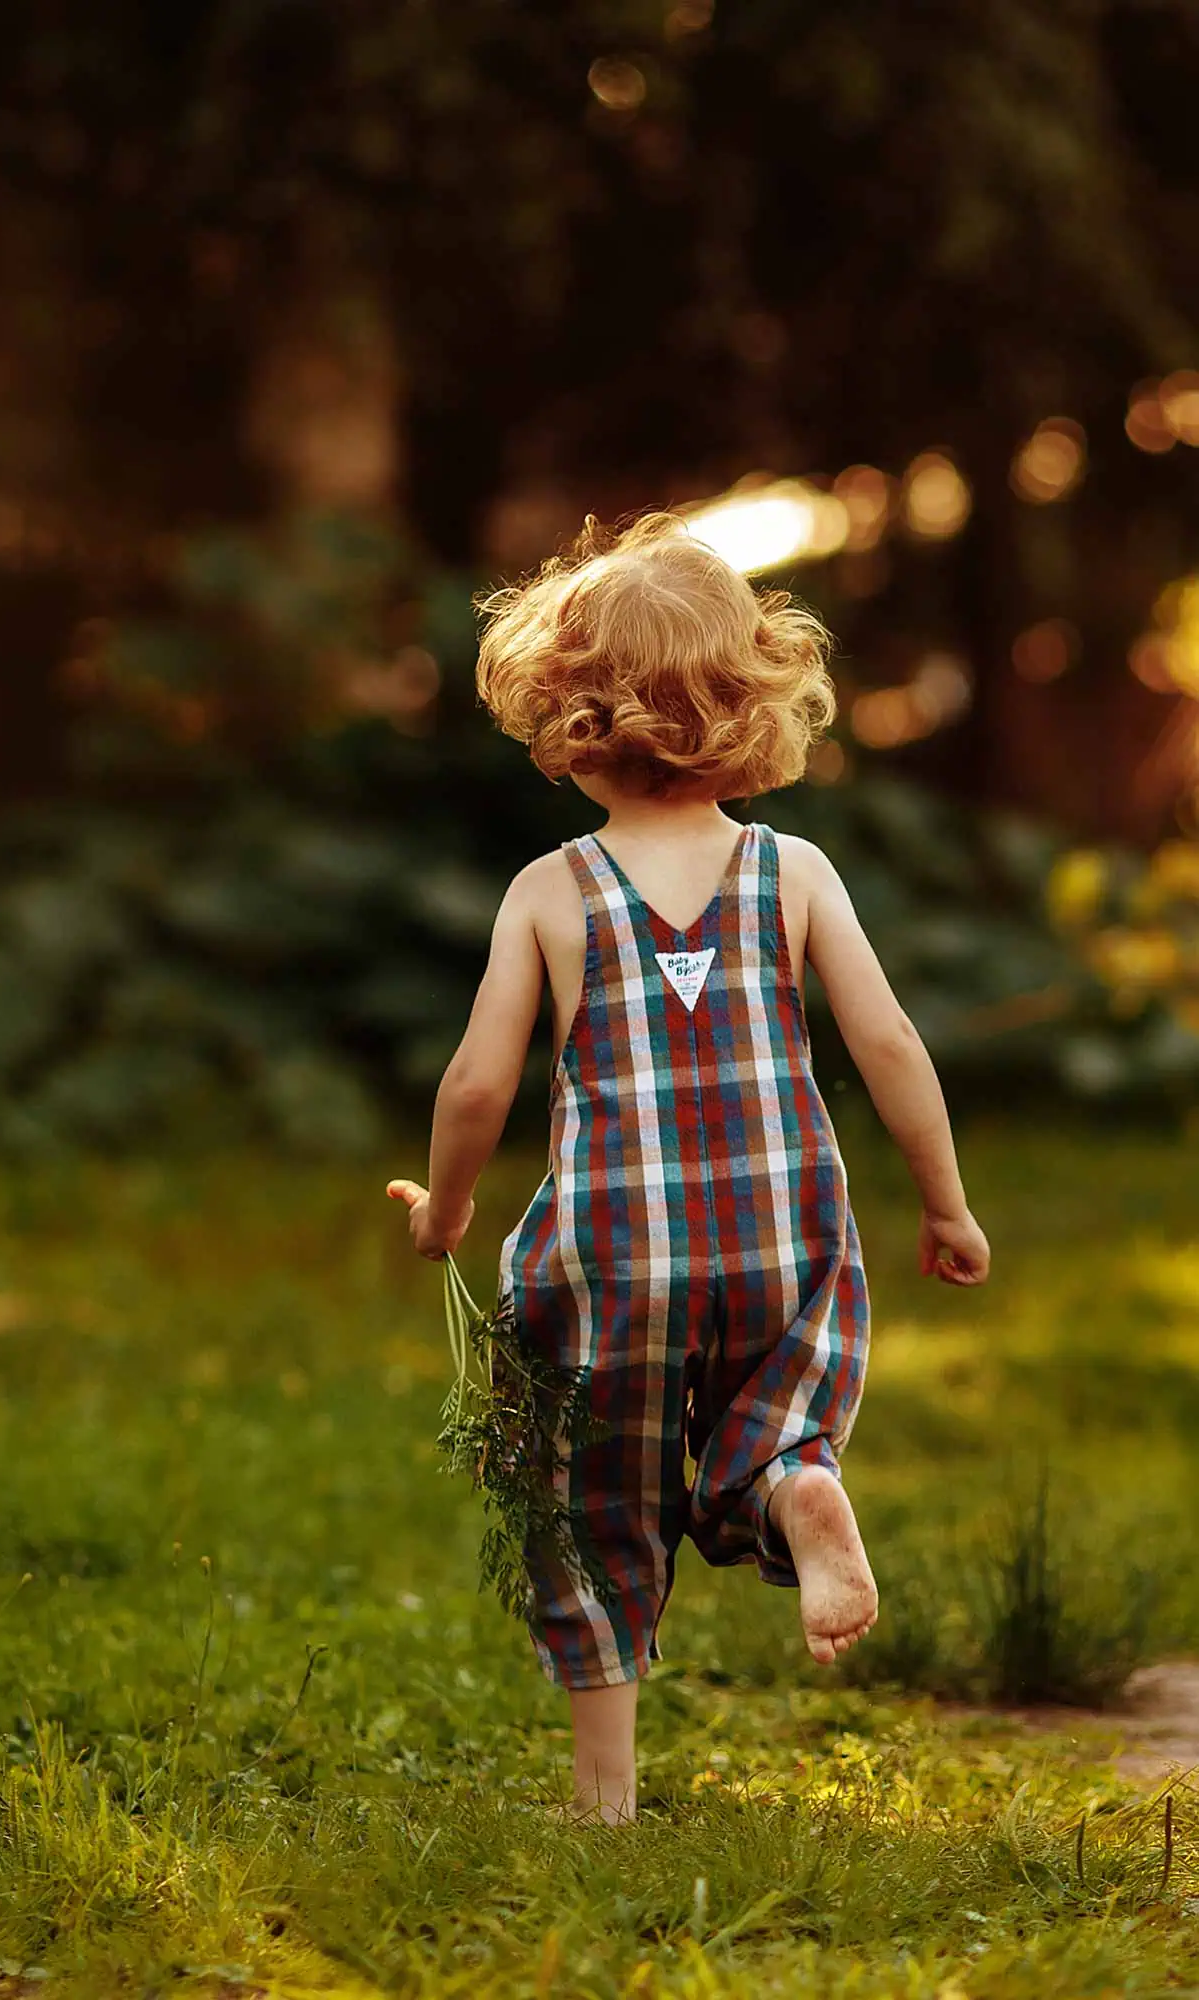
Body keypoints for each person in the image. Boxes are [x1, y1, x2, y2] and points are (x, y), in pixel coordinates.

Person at [388, 513, 990, 1825]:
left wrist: (448, 1208)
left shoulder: (552, 890)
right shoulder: (794, 873)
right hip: (782, 1231)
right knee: (768, 1412)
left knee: (590, 1494)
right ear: (755, 698)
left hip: (610, 1256)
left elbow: (478, 1084)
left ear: (566, 712)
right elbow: (889, 1044)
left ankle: (604, 1796)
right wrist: (945, 1205)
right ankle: (793, 1482)